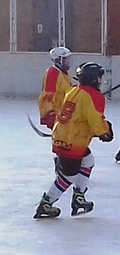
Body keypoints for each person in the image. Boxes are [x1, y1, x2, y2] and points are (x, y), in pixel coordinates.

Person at [34, 62, 114, 218]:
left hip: (62, 136)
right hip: (73, 141)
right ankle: (46, 203)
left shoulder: (74, 91)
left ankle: (79, 197)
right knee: (69, 176)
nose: (101, 81)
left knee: (88, 160)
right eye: (99, 78)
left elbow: (80, 113)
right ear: (93, 79)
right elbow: (96, 122)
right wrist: (106, 131)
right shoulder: (94, 96)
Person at [38, 46, 73, 174]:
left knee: (68, 139)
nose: (69, 62)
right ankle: (61, 164)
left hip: (65, 113)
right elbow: (47, 96)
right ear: (58, 60)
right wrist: (49, 114)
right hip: (57, 113)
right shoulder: (53, 73)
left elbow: (68, 91)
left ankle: (64, 163)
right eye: (66, 59)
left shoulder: (65, 74)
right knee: (62, 139)